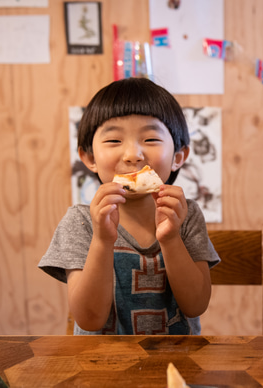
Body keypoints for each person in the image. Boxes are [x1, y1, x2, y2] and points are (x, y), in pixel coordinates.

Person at [39, 77, 220, 335]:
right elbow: (89, 320)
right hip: (101, 366)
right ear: (89, 158)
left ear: (178, 157)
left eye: (150, 140)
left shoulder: (186, 216)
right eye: (114, 141)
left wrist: (170, 238)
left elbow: (196, 305)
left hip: (177, 363)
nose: (133, 154)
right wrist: (102, 240)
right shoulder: (81, 222)